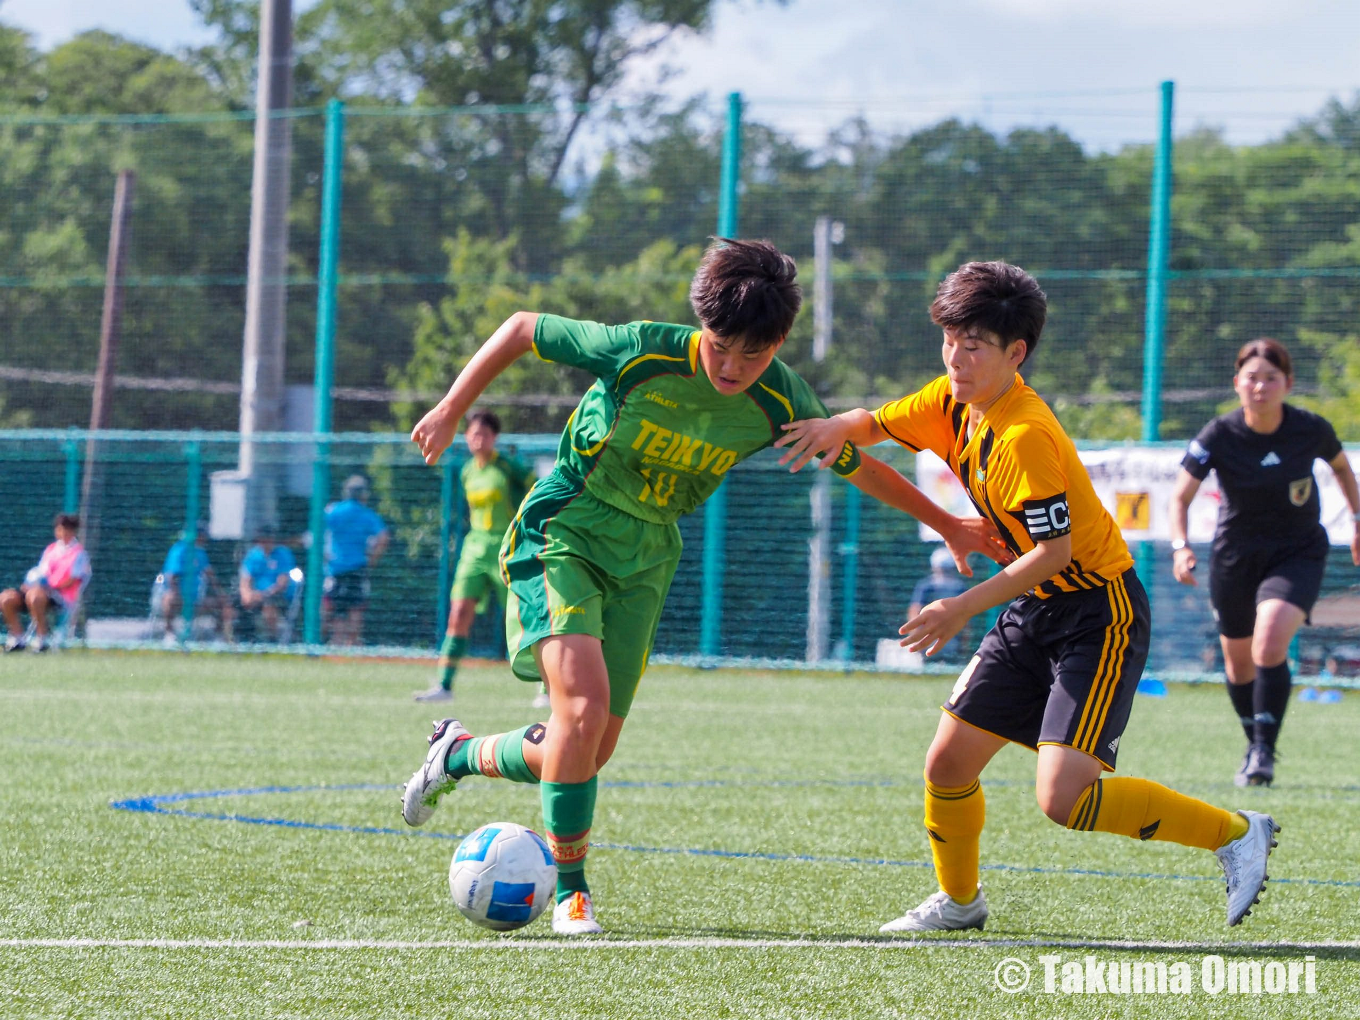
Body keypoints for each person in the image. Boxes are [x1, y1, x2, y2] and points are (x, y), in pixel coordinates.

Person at [399, 238, 1011, 936]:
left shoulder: (781, 397)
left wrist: (948, 524)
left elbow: (854, 462)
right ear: (702, 326)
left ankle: (456, 753)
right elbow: (518, 328)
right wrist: (452, 408)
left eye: (752, 355)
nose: (731, 366)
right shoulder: (640, 349)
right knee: (582, 708)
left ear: (778, 343)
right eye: (720, 347)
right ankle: (572, 893)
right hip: (565, 529)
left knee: (586, 748)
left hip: (649, 554)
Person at [775, 260, 1280, 933]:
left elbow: (1054, 556)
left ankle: (1236, 832)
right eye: (949, 339)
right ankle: (960, 904)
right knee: (947, 764)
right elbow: (876, 423)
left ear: (1017, 353)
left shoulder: (1024, 435)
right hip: (1035, 607)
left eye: (974, 345)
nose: (956, 357)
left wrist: (958, 606)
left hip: (1098, 612)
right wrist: (836, 425)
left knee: (1063, 798)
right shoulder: (953, 400)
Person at [1169, 338, 1360, 787]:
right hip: (1235, 557)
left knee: (1269, 643)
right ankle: (1255, 739)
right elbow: (1179, 497)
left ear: (1287, 384)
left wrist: (1357, 519)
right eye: (1251, 378)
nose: (1260, 386)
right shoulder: (1218, 434)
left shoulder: (1309, 428)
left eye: (1270, 378)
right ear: (1237, 383)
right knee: (1238, 665)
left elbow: (1342, 469)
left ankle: (1263, 751)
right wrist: (1180, 546)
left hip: (1297, 552)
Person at [414, 410, 543, 705]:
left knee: (524, 616)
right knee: (458, 613)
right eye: (472, 434)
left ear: (494, 438)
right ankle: (444, 686)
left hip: (506, 548)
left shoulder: (509, 467)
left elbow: (538, 489)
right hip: (474, 548)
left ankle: (547, 689)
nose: (477, 439)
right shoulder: (467, 470)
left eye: (484, 434)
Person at [2, 513, 90, 652]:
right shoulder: (50, 550)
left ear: (74, 531)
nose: (63, 533)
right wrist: (30, 584)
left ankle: (42, 639)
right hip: (40, 591)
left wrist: (49, 587)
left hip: (61, 597)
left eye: (67, 530)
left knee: (35, 596)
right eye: (60, 529)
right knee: (6, 598)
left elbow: (72, 579)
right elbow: (42, 573)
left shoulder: (78, 553)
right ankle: (18, 639)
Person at [323, 475, 390, 646]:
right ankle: (353, 644)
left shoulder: (333, 511)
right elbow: (383, 537)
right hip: (358, 567)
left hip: (335, 567)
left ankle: (336, 643)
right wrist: (372, 559)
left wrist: (325, 556)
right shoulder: (366, 514)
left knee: (338, 608)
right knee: (356, 607)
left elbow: (318, 533)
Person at [155, 522, 232, 639]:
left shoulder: (201, 553)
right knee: (170, 598)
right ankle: (169, 634)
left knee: (222, 603)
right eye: (202, 535)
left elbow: (210, 575)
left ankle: (219, 637)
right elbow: (171, 576)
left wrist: (221, 594)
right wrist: (177, 594)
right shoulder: (178, 550)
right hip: (178, 598)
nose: (205, 538)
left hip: (196, 599)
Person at [236, 527, 299, 642]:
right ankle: (237, 641)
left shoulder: (283, 554)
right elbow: (245, 579)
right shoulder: (253, 555)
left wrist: (264, 594)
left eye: (268, 539)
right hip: (256, 595)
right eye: (262, 540)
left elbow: (282, 583)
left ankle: (271, 640)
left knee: (269, 606)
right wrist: (247, 595)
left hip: (277, 595)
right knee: (233, 604)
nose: (265, 542)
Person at [909, 546, 970, 660]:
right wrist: (965, 643)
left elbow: (915, 612)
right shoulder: (959, 586)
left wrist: (915, 636)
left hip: (928, 639)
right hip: (952, 640)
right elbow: (966, 619)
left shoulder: (926, 585)